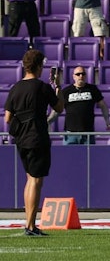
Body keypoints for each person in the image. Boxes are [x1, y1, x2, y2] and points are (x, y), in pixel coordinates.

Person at [5, 49, 64, 235]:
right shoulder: (42, 87)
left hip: (21, 139)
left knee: (30, 179)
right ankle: (30, 226)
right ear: (39, 66)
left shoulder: (15, 88)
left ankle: (29, 223)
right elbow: (59, 107)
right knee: (36, 181)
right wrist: (58, 87)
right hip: (37, 137)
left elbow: (7, 118)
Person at [54, 66, 110, 145]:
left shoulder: (92, 89)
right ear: (73, 76)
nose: (81, 76)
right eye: (78, 74)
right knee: (69, 153)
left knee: (89, 153)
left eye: (83, 74)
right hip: (71, 133)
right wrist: (48, 121)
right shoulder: (66, 91)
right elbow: (58, 109)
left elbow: (103, 105)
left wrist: (107, 121)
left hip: (88, 133)